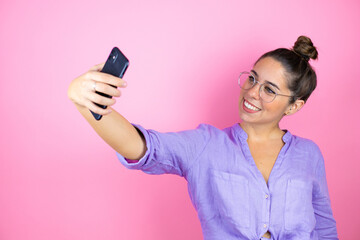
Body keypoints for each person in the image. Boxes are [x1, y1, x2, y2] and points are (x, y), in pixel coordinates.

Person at [67, 36, 338, 240]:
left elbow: (325, 229)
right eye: (253, 79)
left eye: (269, 89)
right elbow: (143, 147)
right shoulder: (206, 145)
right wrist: (88, 105)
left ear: (293, 106)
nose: (252, 93)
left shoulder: (309, 154)